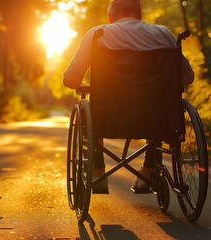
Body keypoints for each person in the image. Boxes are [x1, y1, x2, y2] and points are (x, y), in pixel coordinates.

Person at [63, 0, 194, 193]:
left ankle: (98, 172)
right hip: (155, 118)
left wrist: (87, 87)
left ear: (110, 17)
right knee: (156, 104)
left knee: (93, 105)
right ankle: (148, 172)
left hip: (109, 116)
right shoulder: (163, 34)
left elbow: (70, 79)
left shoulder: (98, 34)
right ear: (140, 16)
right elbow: (187, 77)